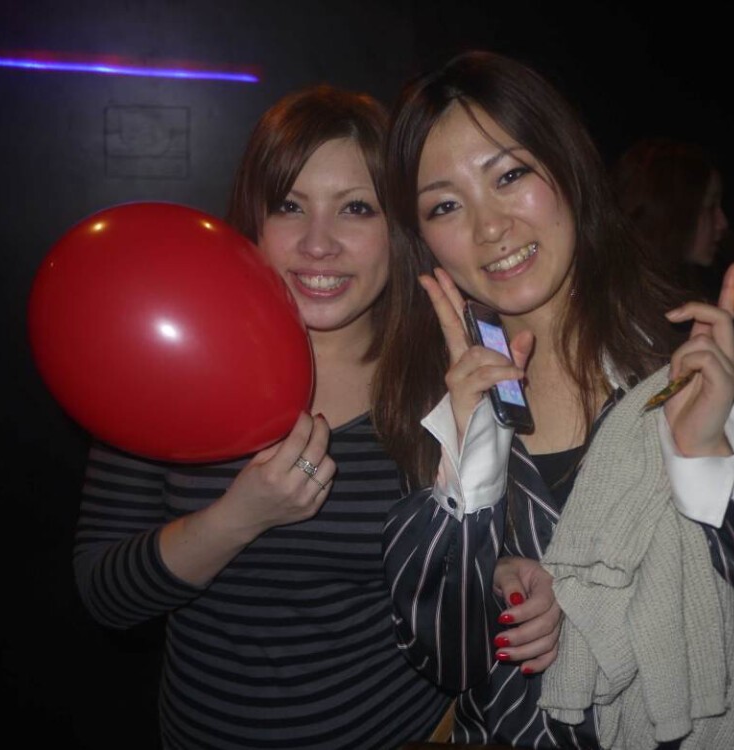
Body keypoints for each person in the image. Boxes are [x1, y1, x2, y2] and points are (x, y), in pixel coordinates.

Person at [374, 50, 734, 748]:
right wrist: (486, 551)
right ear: (423, 239)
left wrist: (708, 455)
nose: (489, 227)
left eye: (510, 175)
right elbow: (444, 659)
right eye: (446, 205)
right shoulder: (431, 402)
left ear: (567, 169)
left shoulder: (687, 355)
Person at [72, 84, 457, 750]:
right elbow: (105, 595)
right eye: (289, 206)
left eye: (356, 208)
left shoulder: (443, 380)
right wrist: (237, 519)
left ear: (396, 228)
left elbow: (483, 566)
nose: (318, 243)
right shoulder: (167, 362)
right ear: (253, 219)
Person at [612, 137, 732, 302]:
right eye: (710, 206)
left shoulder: (683, 288)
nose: (723, 223)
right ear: (669, 211)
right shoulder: (628, 300)